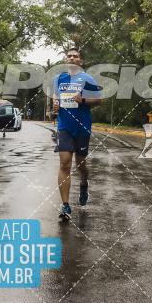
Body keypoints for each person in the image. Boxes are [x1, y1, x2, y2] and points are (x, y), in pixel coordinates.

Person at [52, 47, 102, 220]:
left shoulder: (87, 79)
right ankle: (65, 206)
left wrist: (84, 100)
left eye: (76, 56)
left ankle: (83, 183)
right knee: (65, 163)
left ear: (80, 61)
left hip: (82, 126)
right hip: (64, 126)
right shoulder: (58, 79)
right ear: (66, 60)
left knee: (81, 165)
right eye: (69, 56)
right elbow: (55, 96)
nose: (72, 58)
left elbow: (99, 100)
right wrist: (55, 105)